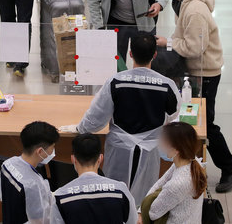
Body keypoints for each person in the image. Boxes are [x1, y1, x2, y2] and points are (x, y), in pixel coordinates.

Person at [59, 33, 181, 205]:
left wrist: (80, 128)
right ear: (155, 54)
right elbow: (174, 112)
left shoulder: (115, 82)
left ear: (130, 54)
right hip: (149, 152)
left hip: (119, 152)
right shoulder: (167, 85)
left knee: (115, 198)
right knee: (144, 201)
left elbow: (96, 117)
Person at [155, 0, 232, 193]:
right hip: (194, 70)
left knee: (205, 124)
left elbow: (195, 47)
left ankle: (229, 168)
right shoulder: (183, 3)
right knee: (196, 121)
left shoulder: (194, 10)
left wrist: (168, 43)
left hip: (205, 73)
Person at [50, 133, 137, 224]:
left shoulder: (60, 196)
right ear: (100, 158)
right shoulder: (120, 190)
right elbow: (132, 221)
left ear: (73, 159)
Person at [142, 122, 206, 224]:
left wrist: (145, 203)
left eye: (163, 142)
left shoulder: (177, 184)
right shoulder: (192, 161)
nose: (159, 144)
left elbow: (153, 213)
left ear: (176, 150)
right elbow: (161, 182)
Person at [0, 121, 59, 224]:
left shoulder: (7, 164)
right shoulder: (34, 185)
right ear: (40, 151)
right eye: (52, 148)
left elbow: (2, 197)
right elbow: (42, 220)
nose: (53, 151)